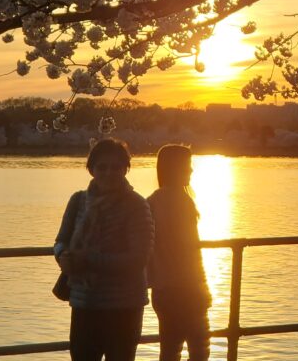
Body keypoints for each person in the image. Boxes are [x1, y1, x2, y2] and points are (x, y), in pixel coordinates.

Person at [55, 139, 153, 361]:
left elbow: (139, 259)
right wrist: (63, 256)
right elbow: (60, 240)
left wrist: (89, 260)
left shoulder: (136, 205)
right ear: (91, 169)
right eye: (102, 167)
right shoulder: (78, 201)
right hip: (84, 301)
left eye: (116, 167)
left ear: (125, 169)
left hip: (124, 305)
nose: (109, 173)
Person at [148, 144, 211, 361]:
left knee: (170, 349)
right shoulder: (181, 201)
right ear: (174, 168)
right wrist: (202, 288)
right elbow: (190, 251)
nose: (191, 171)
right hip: (186, 287)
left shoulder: (153, 201)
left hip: (163, 288)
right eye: (187, 166)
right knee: (199, 348)